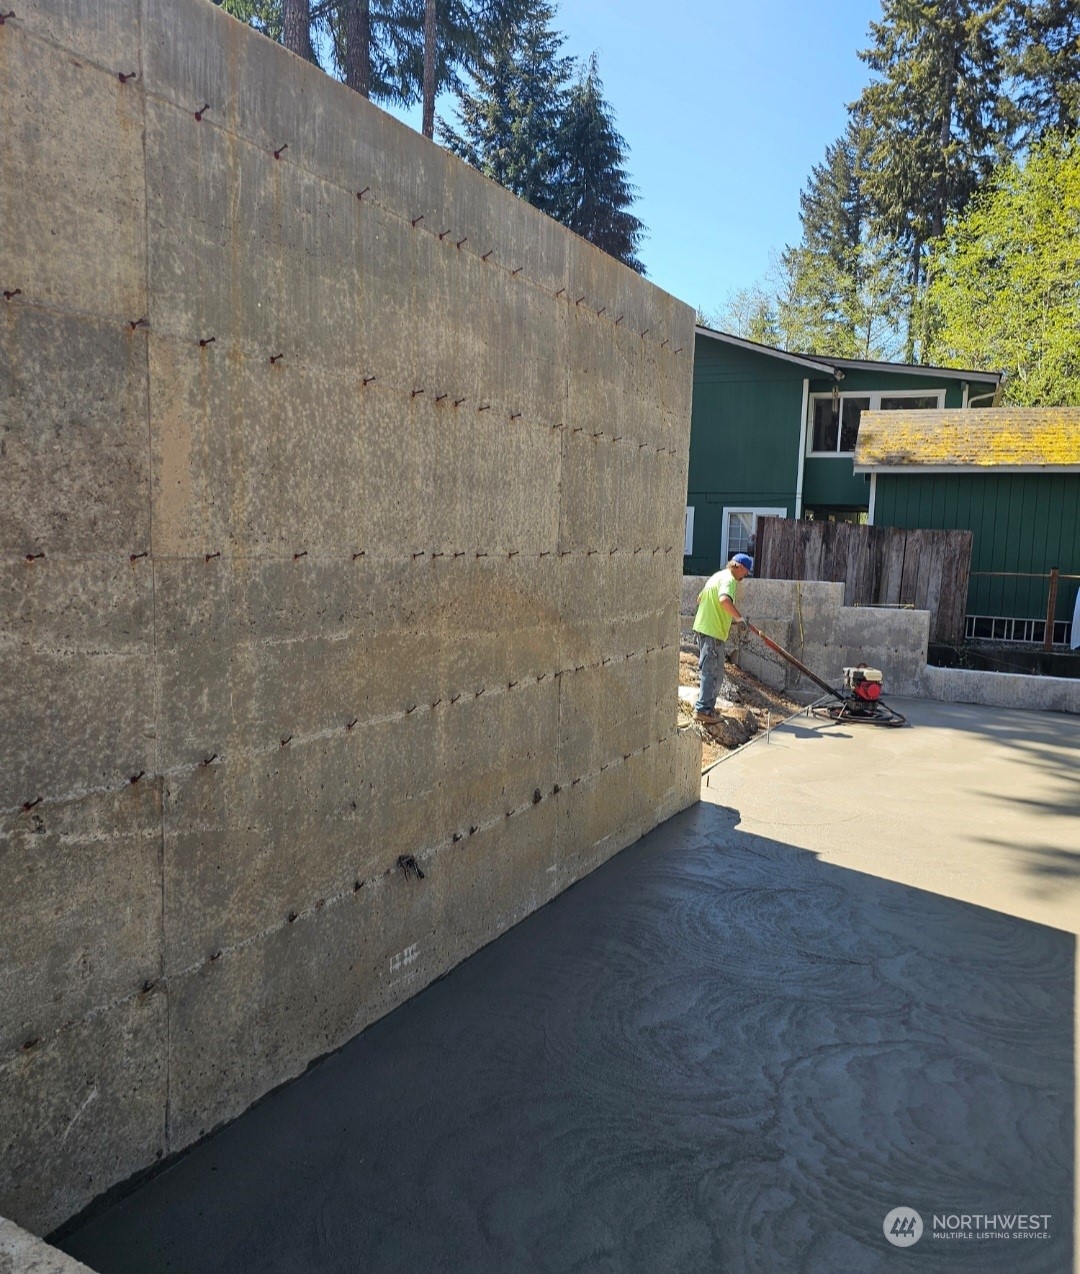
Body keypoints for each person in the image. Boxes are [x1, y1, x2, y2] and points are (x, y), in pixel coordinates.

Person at [692, 553, 753, 723]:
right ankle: (703, 710)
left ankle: (708, 707)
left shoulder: (717, 576)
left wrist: (722, 616)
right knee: (711, 672)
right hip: (712, 631)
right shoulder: (729, 580)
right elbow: (724, 600)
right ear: (738, 567)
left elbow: (699, 599)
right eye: (745, 572)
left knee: (715, 672)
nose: (745, 577)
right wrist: (738, 619)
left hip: (706, 628)